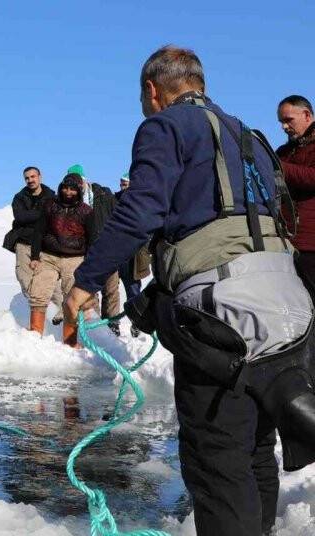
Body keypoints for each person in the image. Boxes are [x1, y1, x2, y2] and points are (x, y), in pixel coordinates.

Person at [66, 46, 315, 536]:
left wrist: (85, 281)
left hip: (221, 317)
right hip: (286, 305)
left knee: (217, 459)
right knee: (255, 448)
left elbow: (140, 209)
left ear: (152, 91)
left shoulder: (163, 126)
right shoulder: (253, 136)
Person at [28, 173, 95, 347]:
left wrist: (89, 262)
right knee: (38, 294)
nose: (68, 191)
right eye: (65, 187)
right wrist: (35, 256)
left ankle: (70, 343)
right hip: (49, 256)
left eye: (72, 189)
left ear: (79, 191)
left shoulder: (86, 211)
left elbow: (92, 238)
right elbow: (38, 231)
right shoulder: (50, 205)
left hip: (75, 258)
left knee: (72, 300)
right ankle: (33, 340)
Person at [66, 163, 122, 336]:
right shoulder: (70, 201)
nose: (76, 185)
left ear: (84, 180)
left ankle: (113, 324)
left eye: (78, 181)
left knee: (111, 289)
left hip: (108, 249)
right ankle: (97, 328)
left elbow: (118, 217)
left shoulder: (104, 194)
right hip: (85, 252)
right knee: (91, 290)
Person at [3, 166, 62, 324]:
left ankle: (62, 311)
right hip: (23, 242)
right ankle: (43, 307)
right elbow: (20, 217)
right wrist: (42, 215)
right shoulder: (19, 197)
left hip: (44, 245)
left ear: (40, 177)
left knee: (51, 280)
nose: (30, 180)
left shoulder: (52, 197)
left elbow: (54, 218)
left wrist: (35, 217)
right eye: (27, 178)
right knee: (23, 277)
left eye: (33, 176)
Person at [276, 95, 315, 295]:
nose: (284, 127)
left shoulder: (282, 158)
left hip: (311, 245)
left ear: (307, 115)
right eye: (281, 122)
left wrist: (280, 168)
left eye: (288, 120)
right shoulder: (284, 151)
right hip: (287, 243)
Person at [114, 173, 151, 336]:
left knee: (133, 291)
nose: (124, 187)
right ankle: (112, 323)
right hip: (115, 253)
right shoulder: (113, 201)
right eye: (122, 184)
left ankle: (138, 323)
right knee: (111, 291)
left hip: (134, 255)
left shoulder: (143, 203)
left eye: (126, 184)